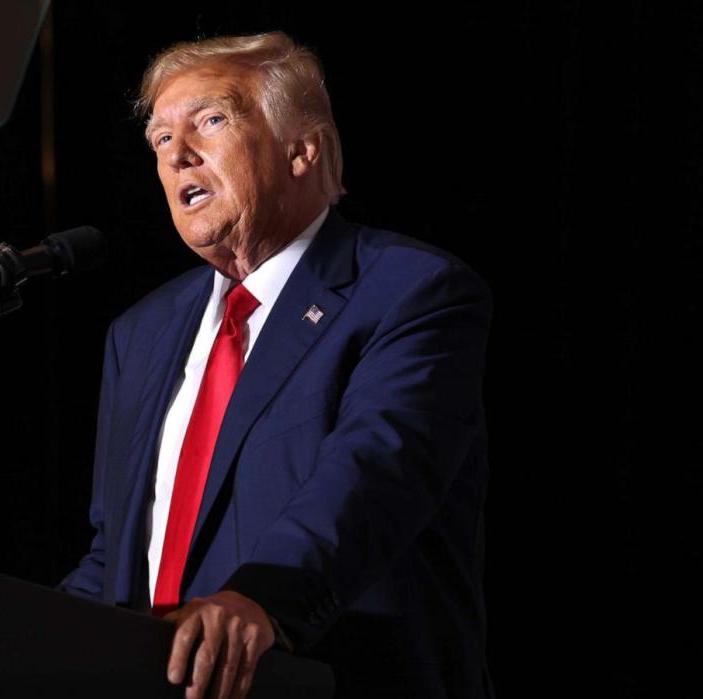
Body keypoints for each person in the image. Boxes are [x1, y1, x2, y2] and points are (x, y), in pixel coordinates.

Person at [57, 31, 494, 699]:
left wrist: (259, 599)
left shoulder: (410, 291)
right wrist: (31, 639)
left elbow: (371, 475)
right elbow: (116, 547)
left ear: (301, 148)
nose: (177, 153)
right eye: (159, 139)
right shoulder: (138, 334)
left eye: (210, 119)